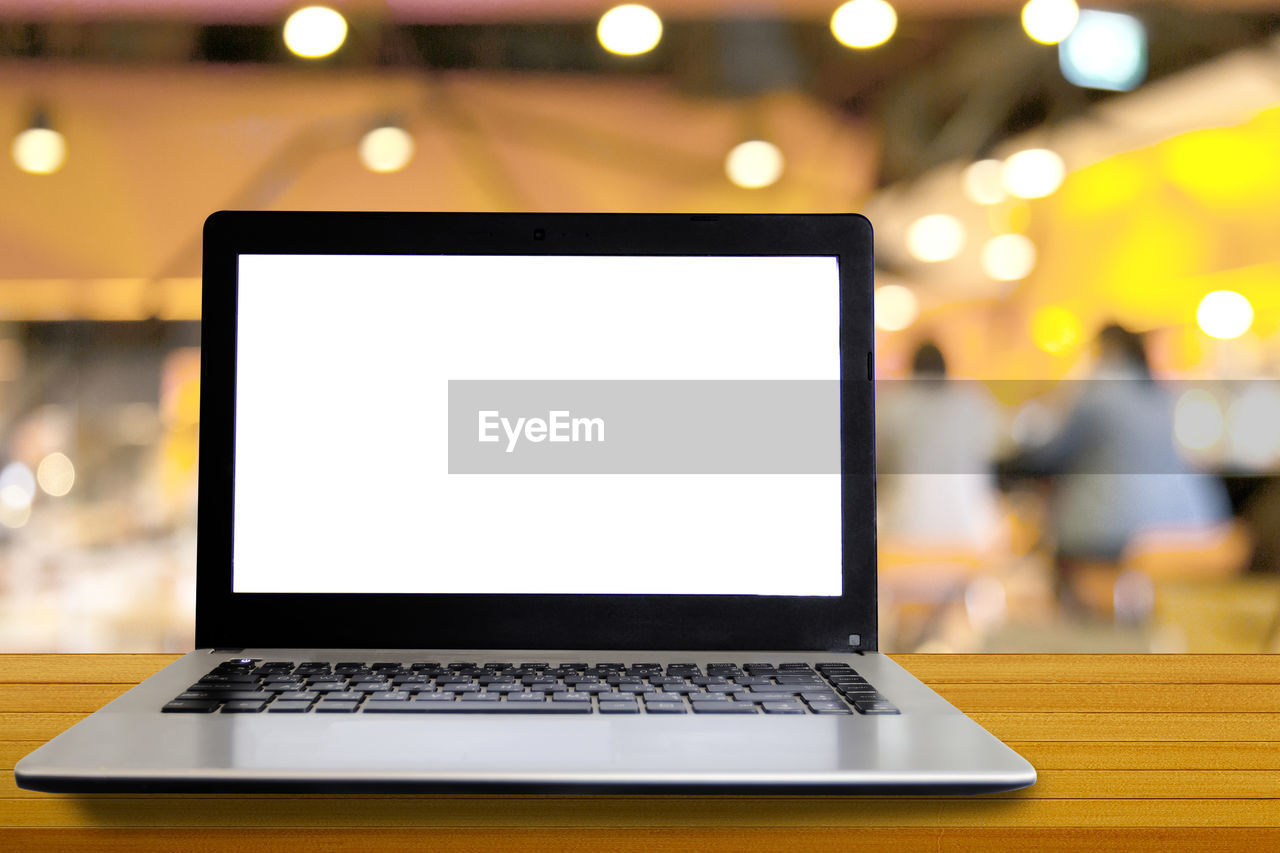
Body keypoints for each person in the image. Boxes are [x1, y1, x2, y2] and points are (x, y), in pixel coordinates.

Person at [1005, 323, 1231, 566]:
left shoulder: (1099, 387)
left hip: (1107, 532)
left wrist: (1011, 460)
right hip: (1188, 527)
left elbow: (1050, 452)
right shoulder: (1162, 391)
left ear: (1104, 347)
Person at [876, 341, 1006, 552]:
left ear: (912, 369)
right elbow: (996, 447)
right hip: (970, 531)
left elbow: (877, 461)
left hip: (903, 531)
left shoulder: (891, 405)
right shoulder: (973, 400)